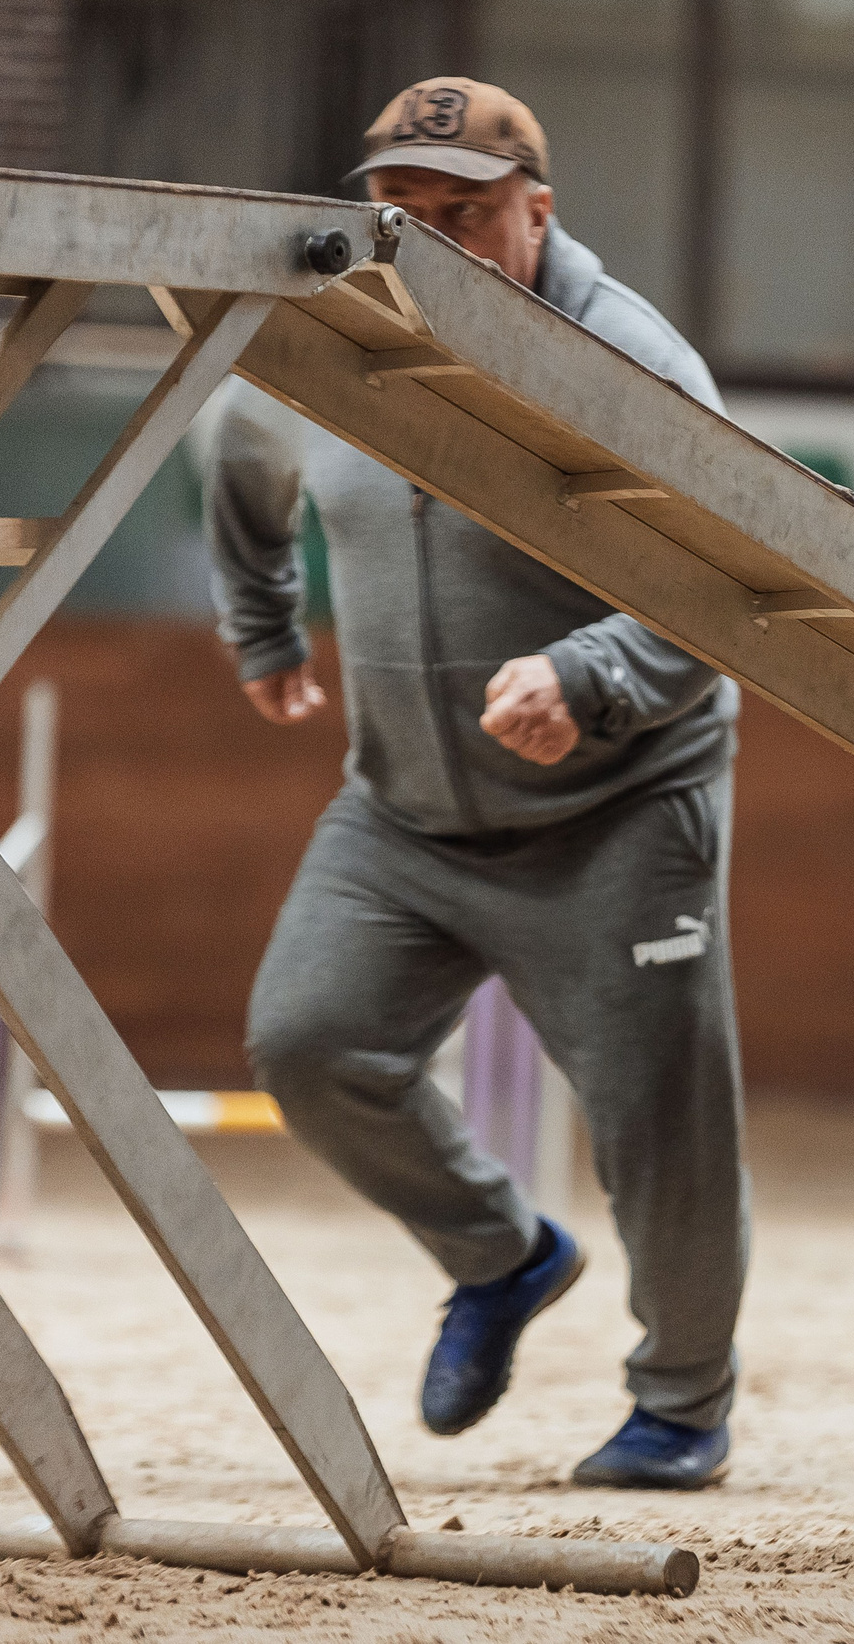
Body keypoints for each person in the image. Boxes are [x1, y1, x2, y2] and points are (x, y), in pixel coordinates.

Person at [204, 77, 746, 1489]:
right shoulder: (324, 343)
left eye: (465, 213)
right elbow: (234, 450)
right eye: (402, 212)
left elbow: (728, 579)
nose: (427, 239)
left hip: (616, 810)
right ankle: (502, 1255)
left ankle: (681, 1403)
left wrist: (594, 677)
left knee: (660, 1125)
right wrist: (264, 627)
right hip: (400, 809)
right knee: (309, 1043)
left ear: (537, 213)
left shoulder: (632, 360)